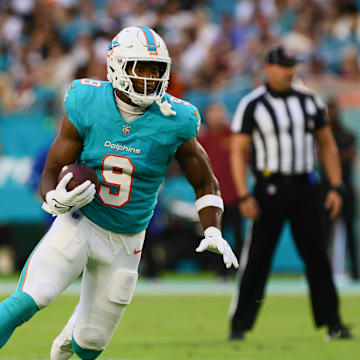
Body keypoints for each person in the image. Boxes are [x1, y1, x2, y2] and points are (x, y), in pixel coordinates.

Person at [0, 26, 238, 360]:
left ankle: (74, 332)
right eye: (142, 68)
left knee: (90, 342)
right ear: (117, 65)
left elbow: (205, 181)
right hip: (82, 222)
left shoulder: (176, 119)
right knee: (32, 297)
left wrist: (212, 228)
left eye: (156, 70)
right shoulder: (88, 101)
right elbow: (52, 169)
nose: (150, 78)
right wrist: (53, 198)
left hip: (127, 240)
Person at [228, 45, 353, 341]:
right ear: (268, 68)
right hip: (268, 187)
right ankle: (240, 325)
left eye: (292, 65)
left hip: (306, 186)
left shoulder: (310, 101)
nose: (289, 71)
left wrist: (335, 186)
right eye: (283, 65)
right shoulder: (253, 103)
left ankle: (332, 323)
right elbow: (238, 150)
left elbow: (327, 144)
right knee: (257, 258)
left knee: (317, 257)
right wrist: (244, 194)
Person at [198, 103, 243, 279]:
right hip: (213, 198)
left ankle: (241, 270)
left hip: (233, 195)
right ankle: (221, 272)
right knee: (216, 234)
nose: (215, 117)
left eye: (218, 113)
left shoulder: (233, 136)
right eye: (212, 113)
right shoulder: (203, 139)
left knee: (239, 235)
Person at [323, 99, 359, 280]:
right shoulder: (322, 136)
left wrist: (332, 154)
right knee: (325, 231)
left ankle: (354, 271)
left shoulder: (347, 135)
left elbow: (347, 155)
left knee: (350, 232)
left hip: (344, 189)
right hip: (326, 189)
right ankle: (322, 270)